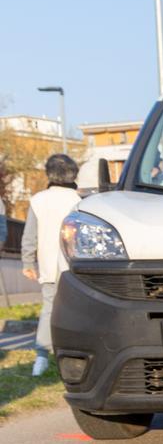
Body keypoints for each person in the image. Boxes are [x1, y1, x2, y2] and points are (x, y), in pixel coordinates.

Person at [21, 154, 80, 377]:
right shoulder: (79, 199)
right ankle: (74, 357)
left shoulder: (38, 200)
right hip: (75, 266)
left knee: (48, 310)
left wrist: (28, 262)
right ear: (73, 174)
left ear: (49, 174)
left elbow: (29, 237)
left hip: (48, 265)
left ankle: (41, 359)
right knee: (77, 312)